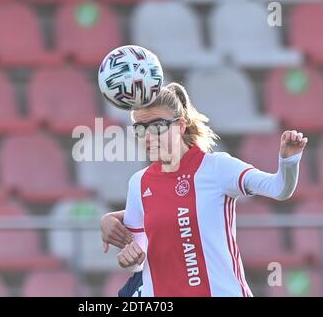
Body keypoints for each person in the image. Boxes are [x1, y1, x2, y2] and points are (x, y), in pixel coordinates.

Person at [101, 82, 307, 297]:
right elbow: (139, 259)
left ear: (181, 125)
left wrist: (289, 161)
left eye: (157, 127)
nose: (148, 138)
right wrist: (130, 257)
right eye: (140, 129)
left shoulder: (217, 167)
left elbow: (279, 189)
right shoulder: (138, 182)